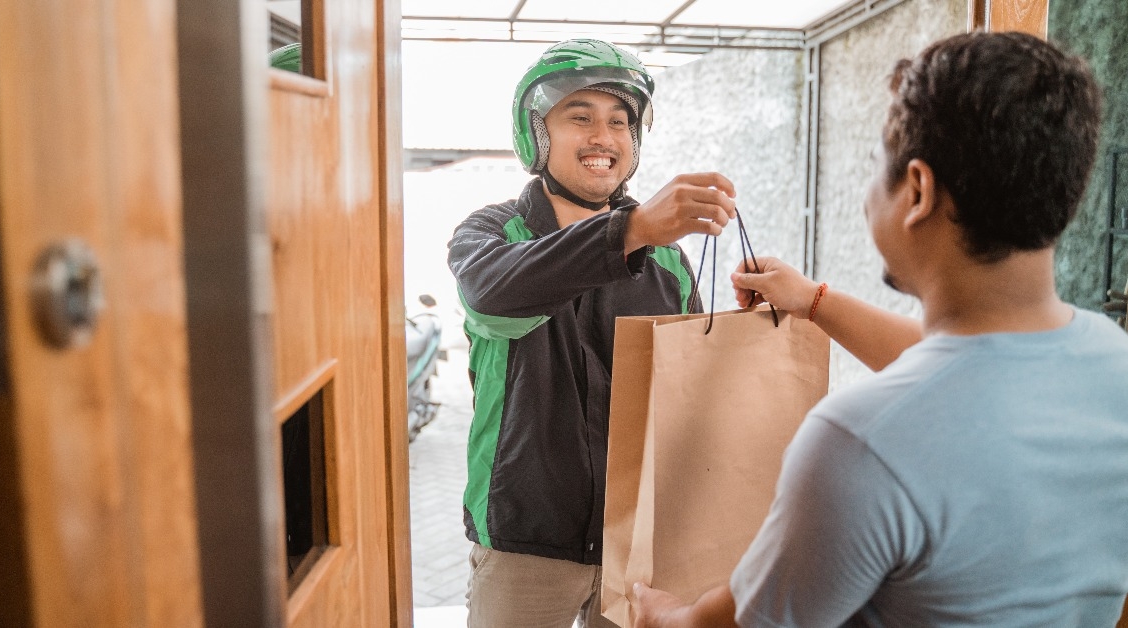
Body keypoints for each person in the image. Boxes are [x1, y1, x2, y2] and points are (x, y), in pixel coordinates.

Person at [634, 31, 1128, 627]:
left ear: (916, 190)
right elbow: (968, 375)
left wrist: (662, 617)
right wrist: (813, 300)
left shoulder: (858, 442)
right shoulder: (1111, 360)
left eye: (875, 166)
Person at [447, 38, 737, 627]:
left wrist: (747, 323)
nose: (604, 137)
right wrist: (628, 232)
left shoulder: (668, 261)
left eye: (619, 122)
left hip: (636, 543)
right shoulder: (492, 233)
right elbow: (495, 299)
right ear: (537, 132)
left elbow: (685, 388)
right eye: (580, 117)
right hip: (523, 540)